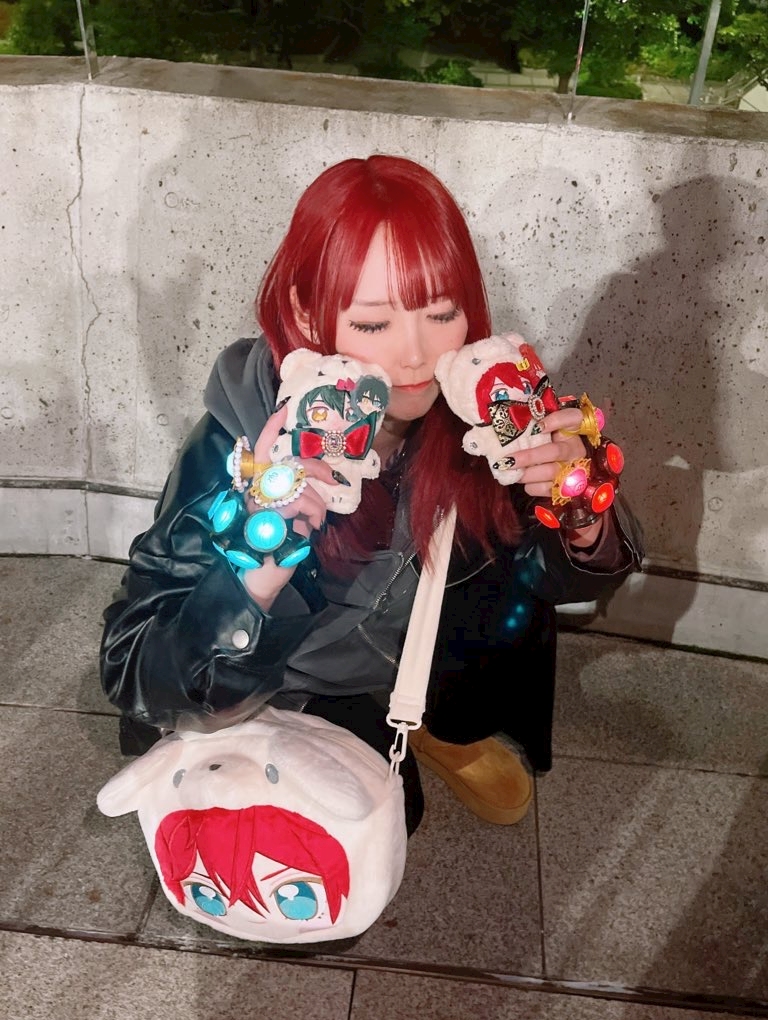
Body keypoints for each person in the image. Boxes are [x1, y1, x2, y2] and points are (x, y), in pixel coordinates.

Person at [100, 155, 643, 836]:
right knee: (364, 829)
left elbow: (546, 580)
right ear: (306, 312)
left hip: (420, 663)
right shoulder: (242, 437)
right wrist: (259, 562)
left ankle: (440, 724)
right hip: (280, 685)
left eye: (442, 312)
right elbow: (135, 666)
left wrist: (579, 511)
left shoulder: (482, 409)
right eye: (374, 324)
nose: (415, 355)